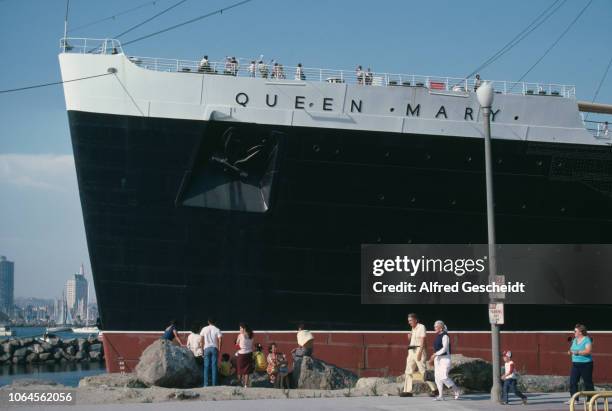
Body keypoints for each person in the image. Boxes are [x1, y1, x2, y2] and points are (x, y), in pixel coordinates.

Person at [400, 313, 437, 397]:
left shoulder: (421, 327)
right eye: (408, 321)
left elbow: (423, 340)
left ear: (415, 320)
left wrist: (420, 352)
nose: (409, 322)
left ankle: (435, 389)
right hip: (411, 351)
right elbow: (413, 340)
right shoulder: (413, 328)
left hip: (418, 350)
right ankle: (407, 391)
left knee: (423, 370)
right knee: (408, 371)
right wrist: (409, 338)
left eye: (410, 320)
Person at [428, 320, 460, 401]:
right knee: (437, 377)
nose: (434, 328)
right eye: (434, 326)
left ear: (441, 327)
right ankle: (440, 395)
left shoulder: (445, 336)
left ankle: (456, 389)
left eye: (436, 326)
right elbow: (437, 349)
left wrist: (435, 354)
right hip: (438, 359)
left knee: (444, 377)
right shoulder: (438, 336)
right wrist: (433, 357)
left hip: (445, 359)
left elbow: (445, 349)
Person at [565, 324, 594, 405]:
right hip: (575, 364)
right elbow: (572, 349)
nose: (574, 332)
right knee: (573, 382)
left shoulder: (586, 340)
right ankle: (574, 399)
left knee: (587, 382)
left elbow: (588, 351)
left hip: (586, 364)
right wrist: (570, 351)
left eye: (575, 331)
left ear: (580, 332)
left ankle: (590, 400)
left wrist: (577, 352)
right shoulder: (574, 340)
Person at [200, 317, 222, 386]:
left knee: (206, 366)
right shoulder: (217, 329)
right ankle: (214, 384)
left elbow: (201, 340)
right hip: (214, 348)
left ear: (208, 322)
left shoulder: (204, 329)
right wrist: (219, 349)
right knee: (214, 366)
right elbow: (220, 340)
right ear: (215, 322)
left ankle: (205, 384)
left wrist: (201, 349)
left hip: (206, 348)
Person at [236, 322, 254, 388]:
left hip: (242, 354)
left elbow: (237, 343)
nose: (240, 329)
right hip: (249, 354)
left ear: (244, 328)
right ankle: (246, 385)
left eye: (240, 328)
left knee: (239, 370)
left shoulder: (240, 335)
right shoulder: (251, 335)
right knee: (247, 370)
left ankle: (239, 383)